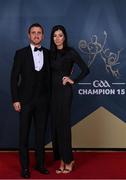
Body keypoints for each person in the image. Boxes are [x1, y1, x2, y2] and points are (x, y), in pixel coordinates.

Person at [10, 23, 50, 178]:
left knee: (41, 135)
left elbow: (53, 75)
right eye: (33, 32)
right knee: (24, 135)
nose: (36, 35)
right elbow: (14, 78)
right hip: (25, 101)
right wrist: (15, 99)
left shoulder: (48, 53)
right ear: (28, 35)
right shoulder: (20, 53)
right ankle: (25, 168)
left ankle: (40, 164)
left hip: (43, 102)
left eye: (39, 32)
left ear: (43, 35)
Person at [50, 25, 89, 174]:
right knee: (57, 127)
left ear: (64, 37)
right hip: (52, 94)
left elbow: (85, 69)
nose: (57, 38)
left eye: (60, 35)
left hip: (64, 93)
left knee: (64, 127)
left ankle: (69, 160)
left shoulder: (70, 52)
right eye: (55, 35)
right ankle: (62, 159)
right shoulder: (50, 54)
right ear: (52, 38)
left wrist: (73, 80)